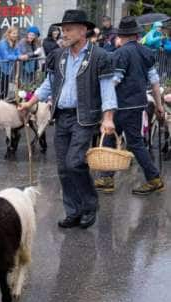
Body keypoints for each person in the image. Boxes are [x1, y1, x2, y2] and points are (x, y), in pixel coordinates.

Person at [19, 10, 117, 229]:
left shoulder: (100, 56)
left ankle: (89, 205)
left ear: (83, 30)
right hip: (62, 116)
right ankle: (73, 211)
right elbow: (49, 84)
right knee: (63, 167)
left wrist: (108, 118)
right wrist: (29, 102)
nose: (64, 33)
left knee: (75, 162)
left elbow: (107, 88)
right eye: (63, 29)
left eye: (69, 29)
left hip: (84, 117)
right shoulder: (59, 56)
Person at [95, 16, 165, 195]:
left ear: (122, 35)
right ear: (136, 34)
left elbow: (114, 82)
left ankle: (153, 178)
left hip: (122, 105)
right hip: (139, 103)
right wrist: (159, 106)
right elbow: (155, 81)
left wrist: (103, 105)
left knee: (133, 142)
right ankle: (107, 177)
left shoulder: (120, 53)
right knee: (115, 137)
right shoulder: (146, 52)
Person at [0, 26, 28, 99]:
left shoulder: (15, 43)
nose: (15, 35)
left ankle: (3, 104)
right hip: (0, 68)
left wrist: (23, 56)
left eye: (16, 33)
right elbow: (6, 56)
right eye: (13, 33)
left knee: (5, 90)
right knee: (0, 90)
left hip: (8, 70)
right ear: (9, 34)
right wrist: (18, 57)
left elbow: (18, 53)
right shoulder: (2, 43)